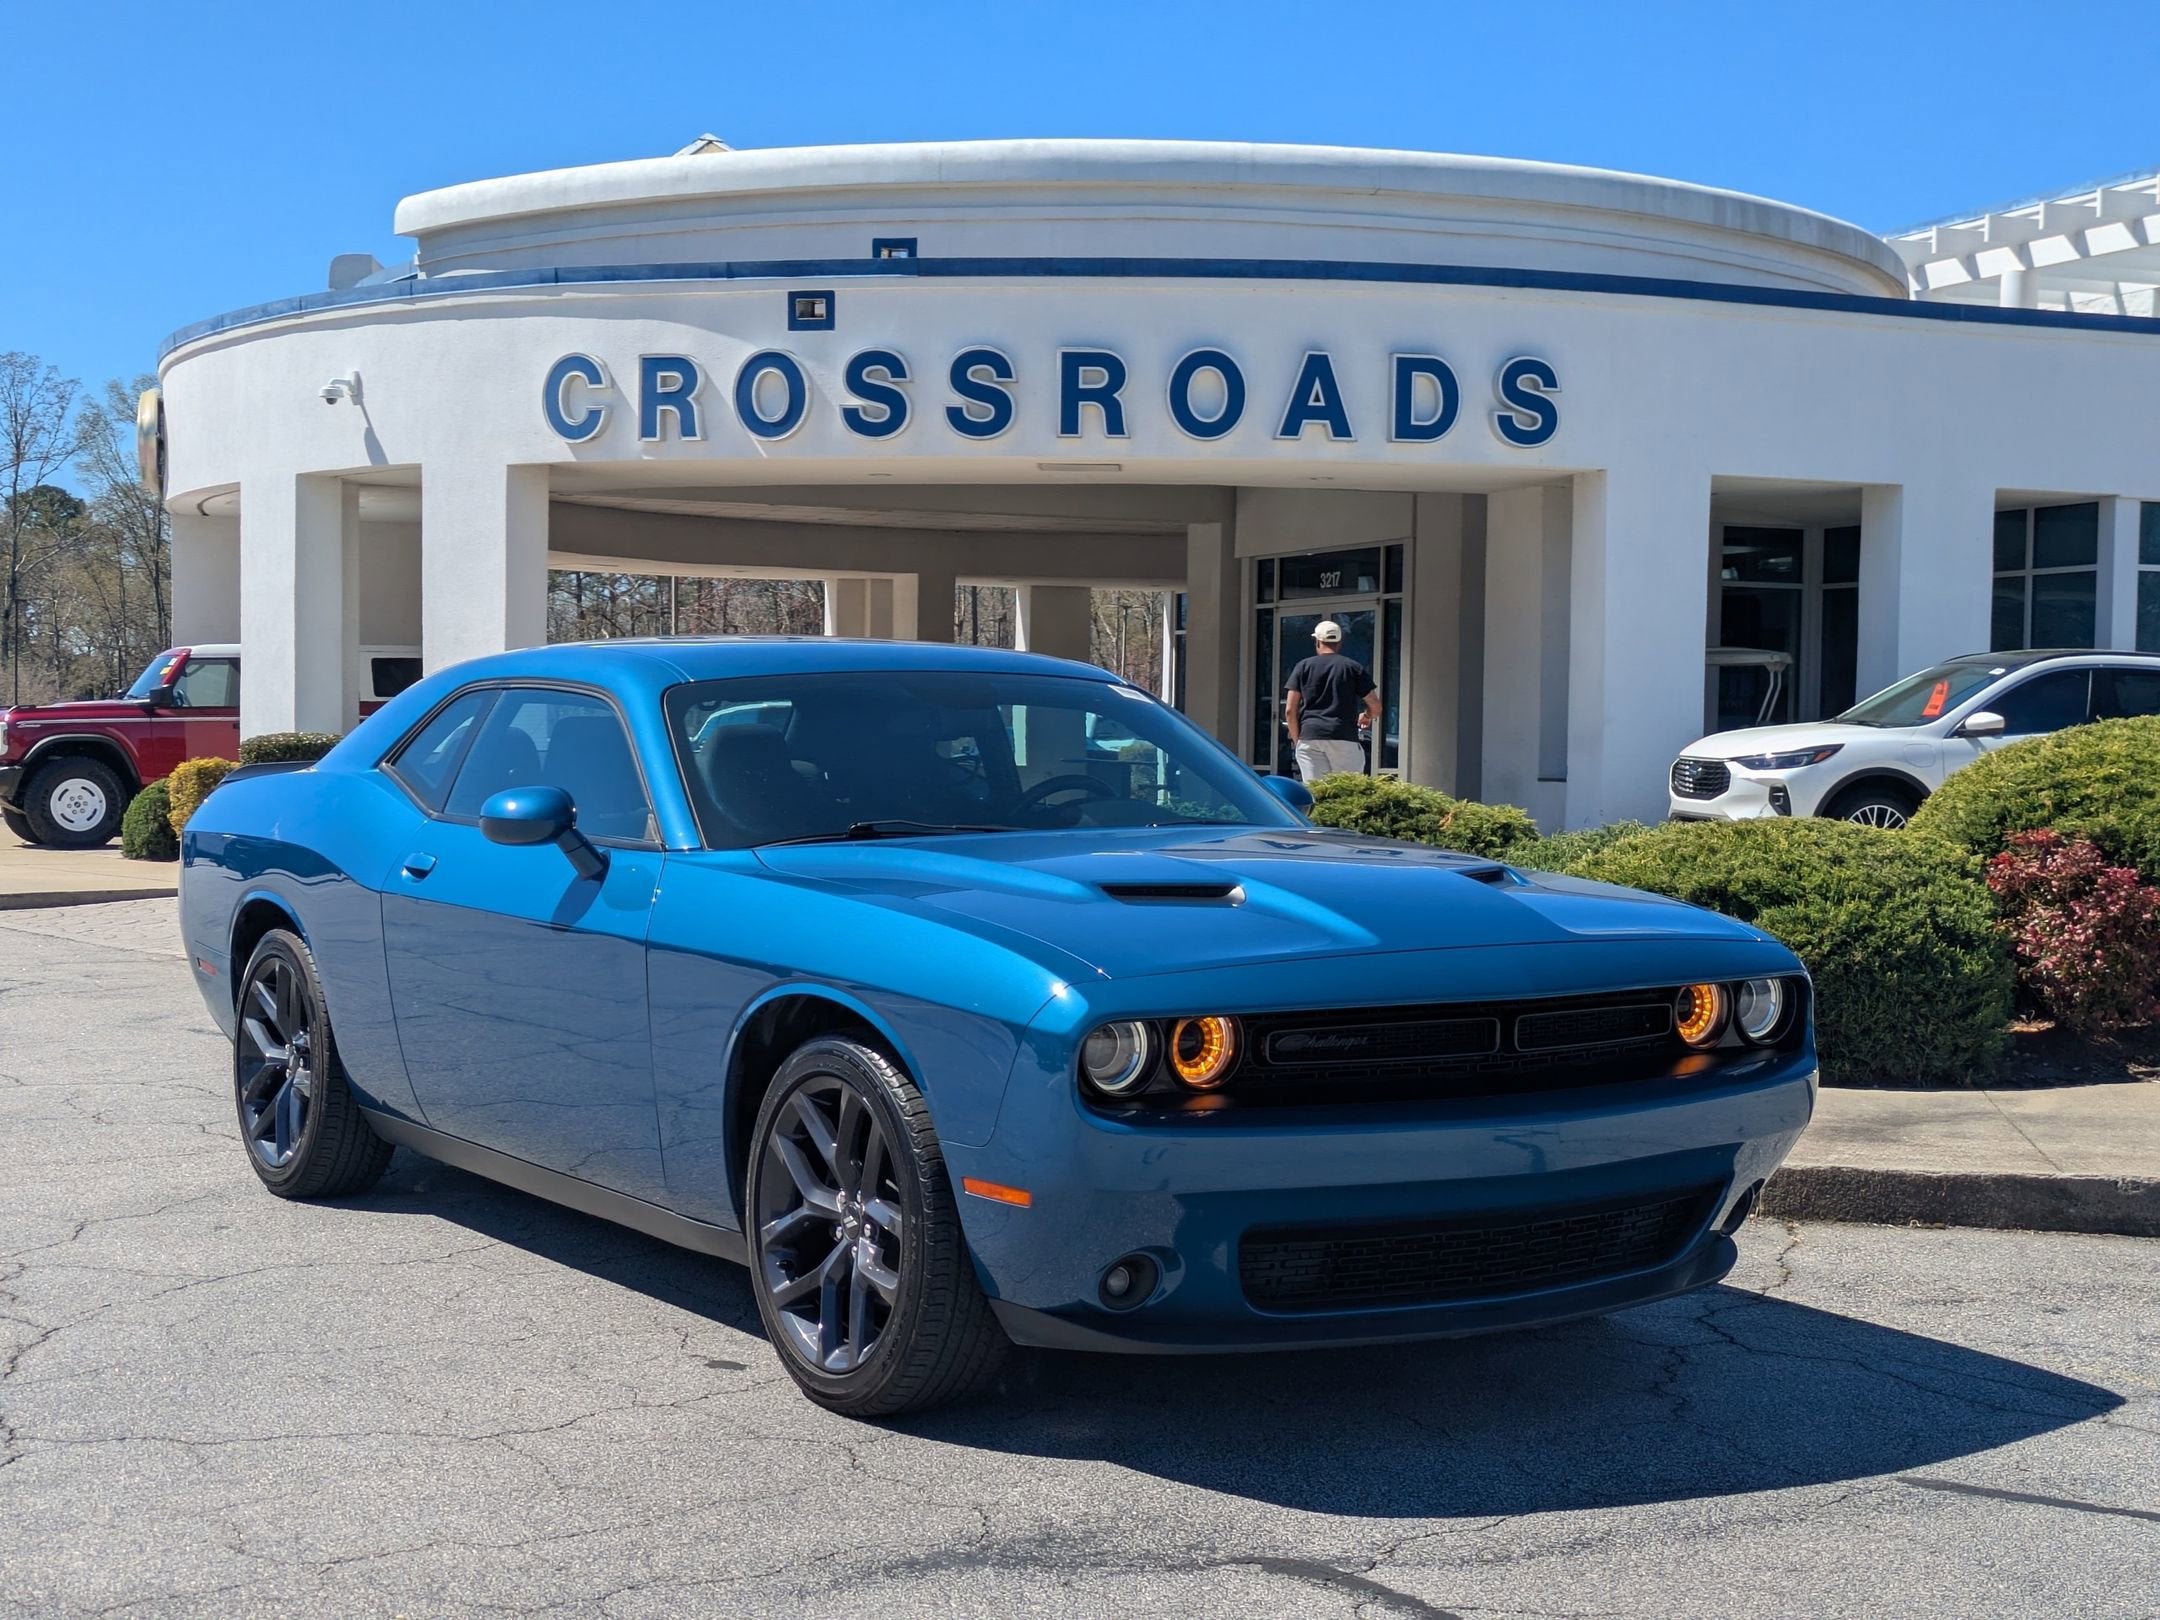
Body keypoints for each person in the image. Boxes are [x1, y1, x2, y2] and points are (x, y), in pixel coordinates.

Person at [1283, 620, 1379, 783]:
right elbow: (1375, 705)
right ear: (1340, 643)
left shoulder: (1303, 666)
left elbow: (1290, 711)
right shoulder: (1352, 667)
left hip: (1310, 736)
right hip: (1343, 736)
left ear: (1318, 641)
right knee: (1347, 792)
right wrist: (1367, 716)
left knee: (1316, 792)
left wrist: (1297, 739)